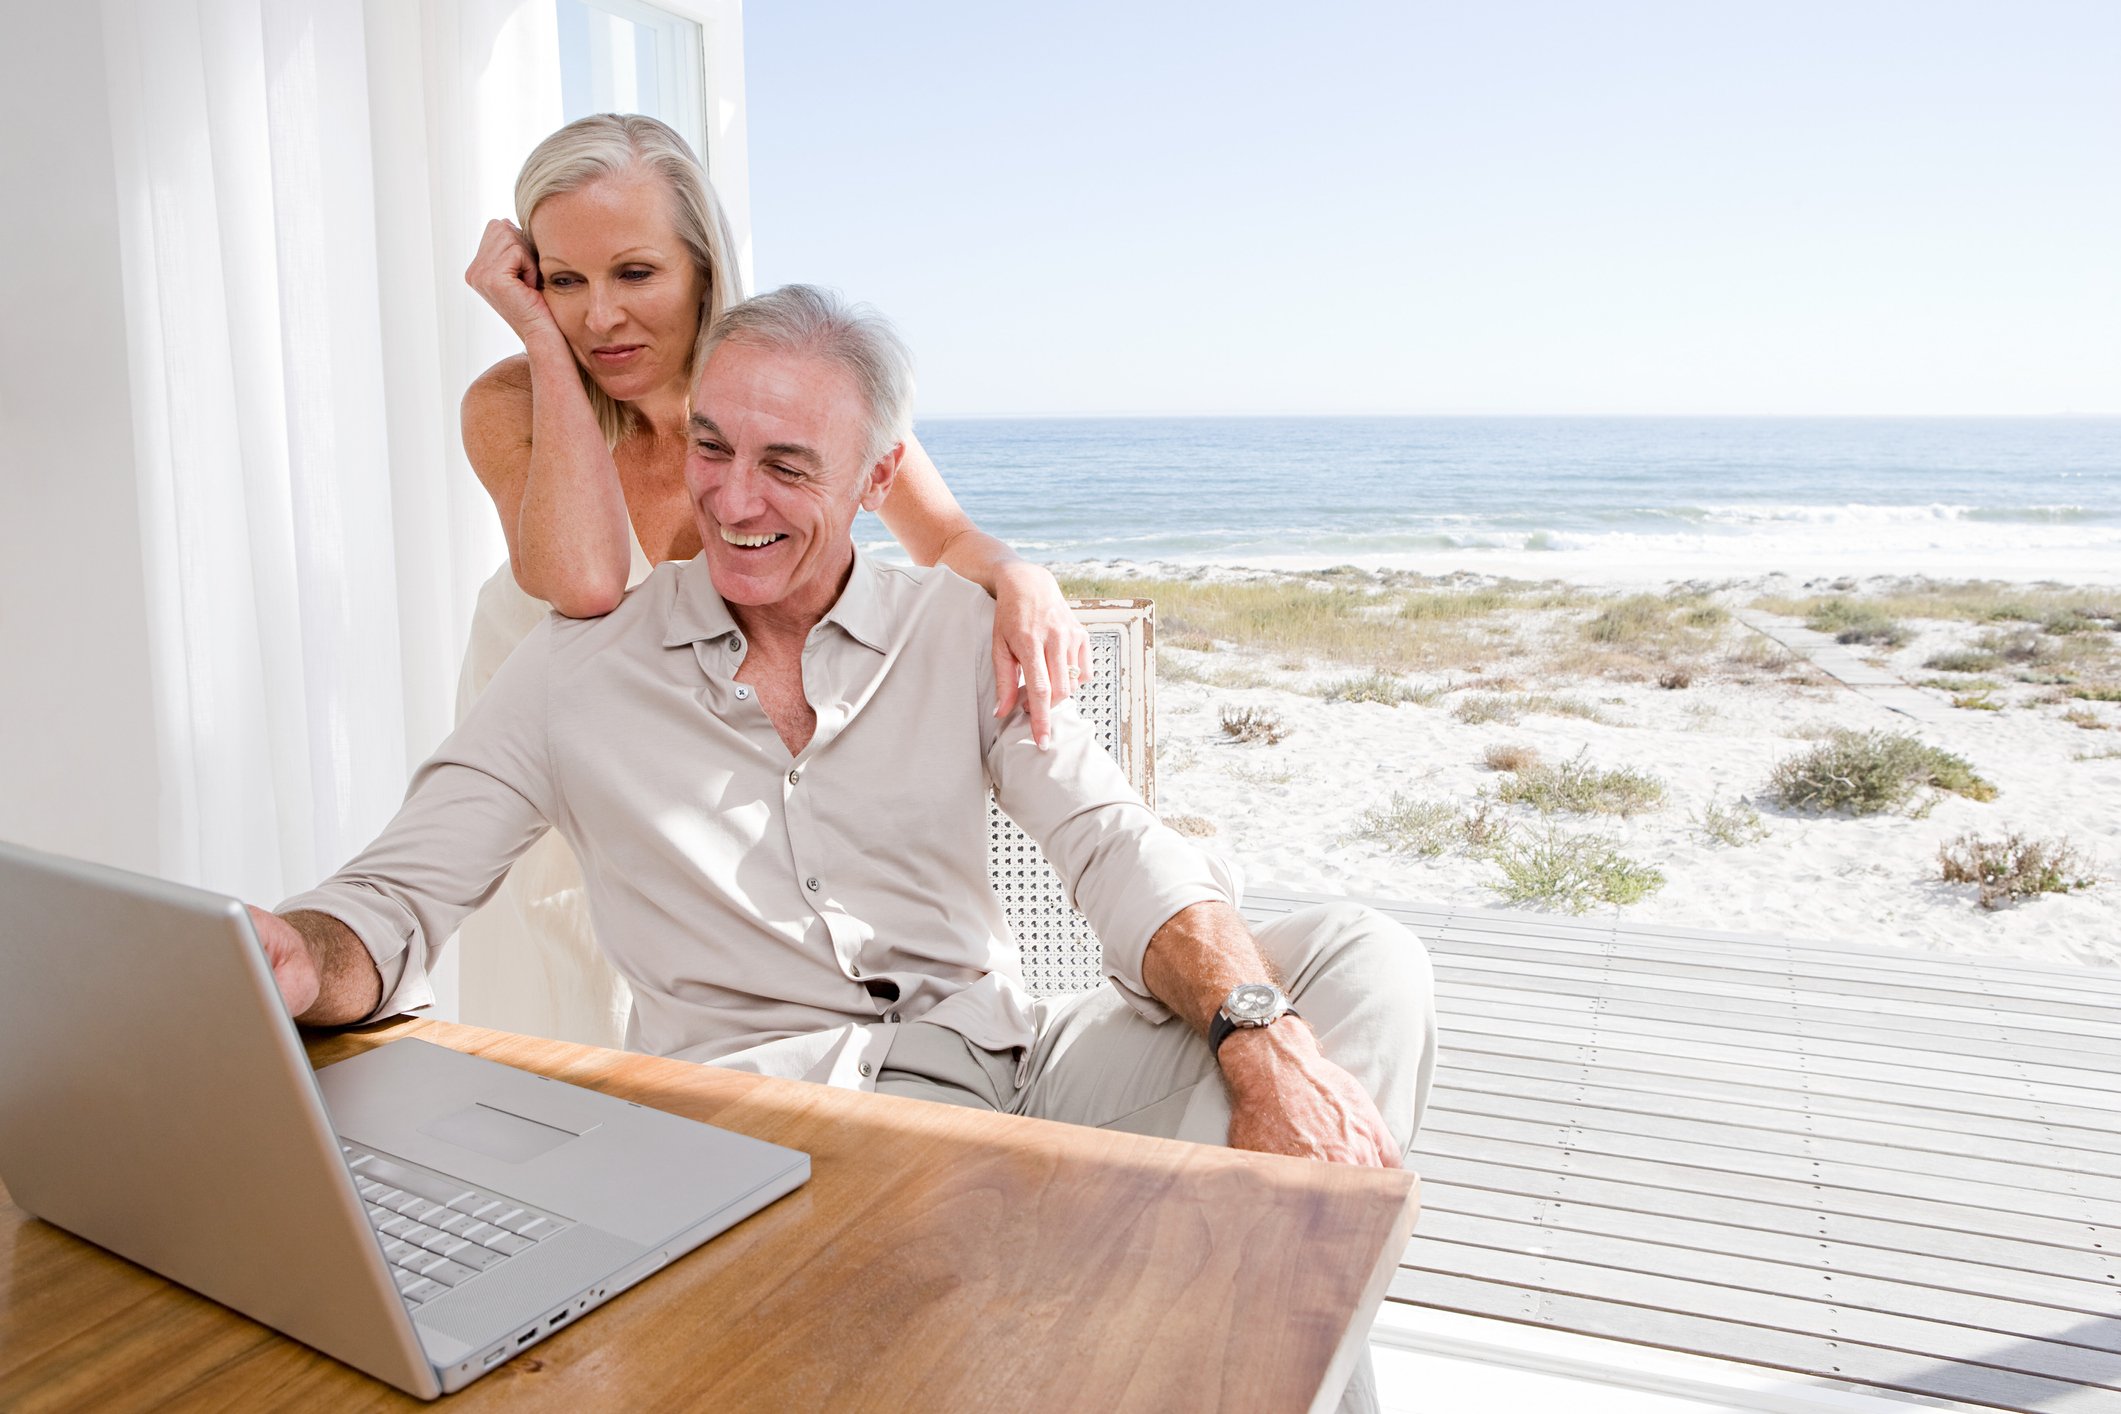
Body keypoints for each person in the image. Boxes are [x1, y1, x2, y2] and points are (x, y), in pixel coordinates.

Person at [259, 287, 1433, 1410]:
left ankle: (1192, 1340)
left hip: (1014, 1067)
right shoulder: (577, 670)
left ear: (877, 479)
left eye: (785, 466)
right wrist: (300, 959)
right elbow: (394, 894)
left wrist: (1259, 1033)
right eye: (712, 447)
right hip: (778, 1134)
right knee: (1239, 1236)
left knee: (1362, 960)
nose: (730, 498)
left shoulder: (960, 629)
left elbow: (1106, 836)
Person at [454, 115, 1087, 1045]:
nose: (599, 317)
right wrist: (541, 348)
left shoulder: (792, 399)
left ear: (703, 266)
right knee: (556, 1066)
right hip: (547, 804)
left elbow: (940, 532)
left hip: (713, 810)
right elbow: (583, 582)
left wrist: (1019, 573)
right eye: (563, 281)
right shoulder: (511, 405)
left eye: (634, 273)